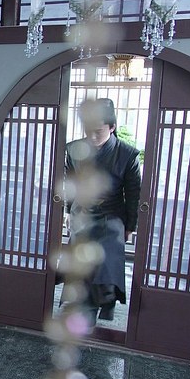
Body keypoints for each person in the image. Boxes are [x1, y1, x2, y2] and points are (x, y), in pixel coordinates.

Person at [65, 98, 141, 324]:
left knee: (106, 256)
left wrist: (131, 226)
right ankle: (87, 306)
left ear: (112, 127)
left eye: (98, 131)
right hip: (83, 211)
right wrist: (68, 212)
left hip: (112, 213)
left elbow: (134, 194)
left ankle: (106, 301)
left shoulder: (127, 154)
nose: (92, 136)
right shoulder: (74, 149)